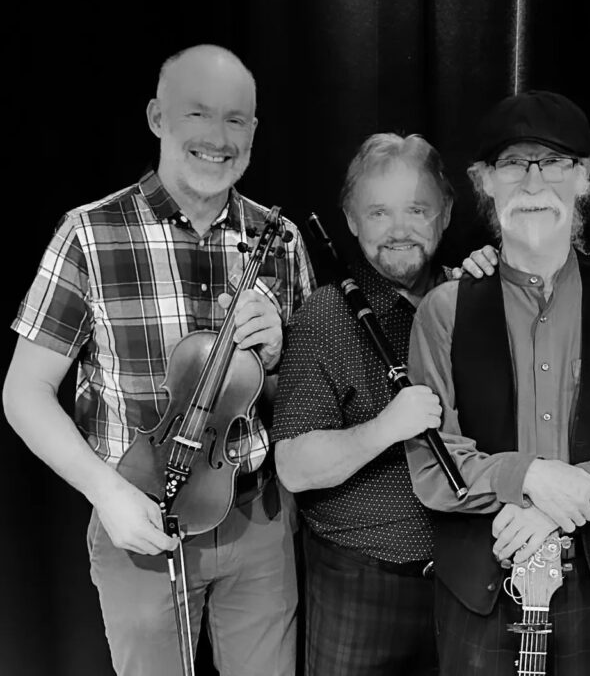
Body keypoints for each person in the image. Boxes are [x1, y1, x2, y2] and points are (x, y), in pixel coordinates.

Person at [3, 45, 314, 676]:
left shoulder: (279, 241)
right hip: (141, 517)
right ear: (156, 117)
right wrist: (107, 495)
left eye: (235, 119)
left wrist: (279, 355)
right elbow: (24, 393)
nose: (218, 137)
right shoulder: (88, 234)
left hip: (258, 519)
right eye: (197, 113)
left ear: (254, 130)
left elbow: (307, 399)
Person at [405, 90, 590, 676]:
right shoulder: (445, 310)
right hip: (481, 591)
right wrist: (530, 476)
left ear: (584, 178)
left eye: (554, 163)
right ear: (485, 181)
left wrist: (554, 503)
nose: (533, 182)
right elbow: (433, 465)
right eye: (514, 164)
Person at [272, 133, 453, 675]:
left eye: (416, 209)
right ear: (351, 221)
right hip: (360, 581)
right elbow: (294, 467)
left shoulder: (474, 300)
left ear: (446, 214)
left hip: (468, 581)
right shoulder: (325, 316)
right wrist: (385, 427)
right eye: (379, 212)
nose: (399, 230)